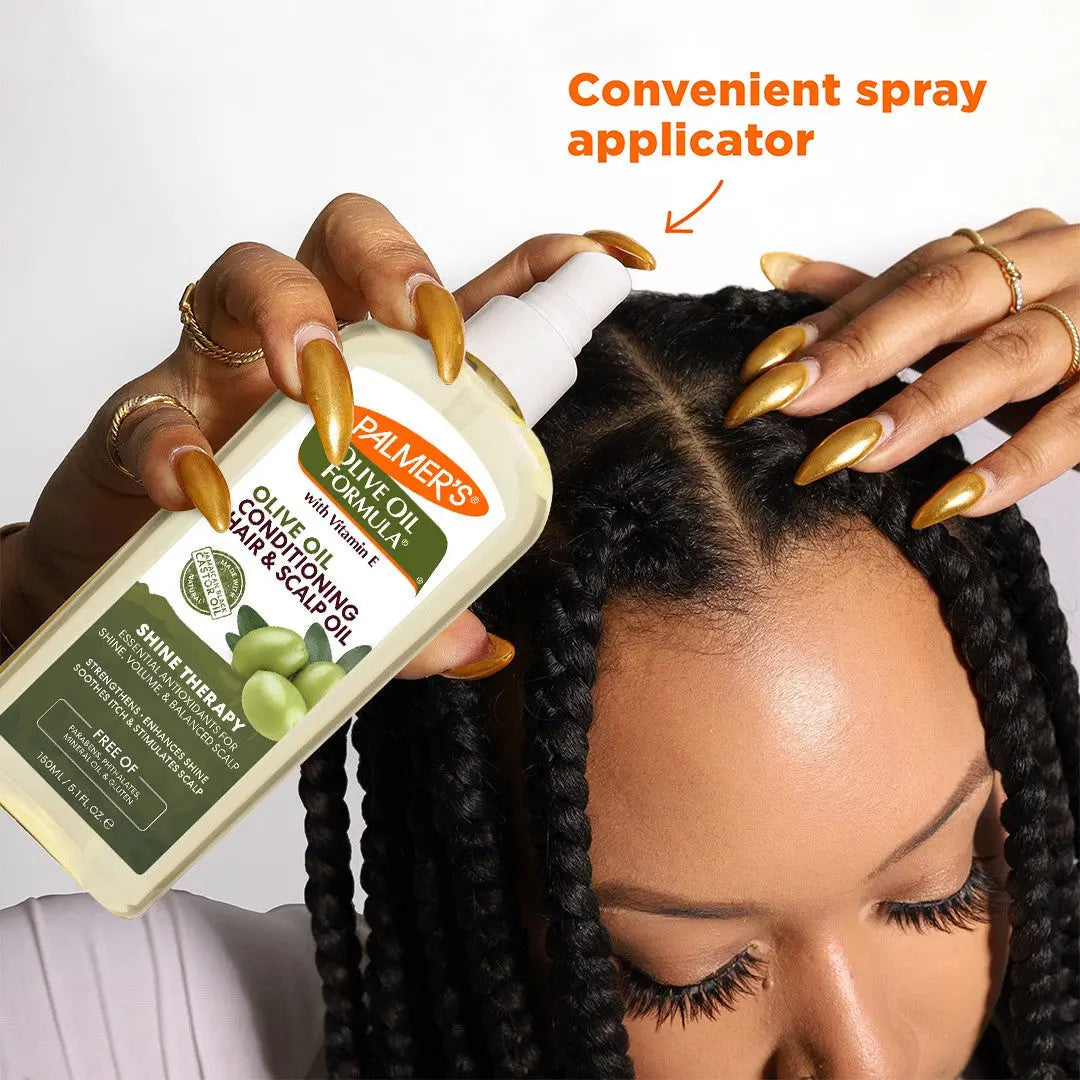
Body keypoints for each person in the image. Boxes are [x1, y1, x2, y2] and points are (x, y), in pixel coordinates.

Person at [0, 199, 1077, 1079]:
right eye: (686, 976)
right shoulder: (132, 1029)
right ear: (480, 876)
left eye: (947, 891)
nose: (863, 1060)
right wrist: (26, 607)